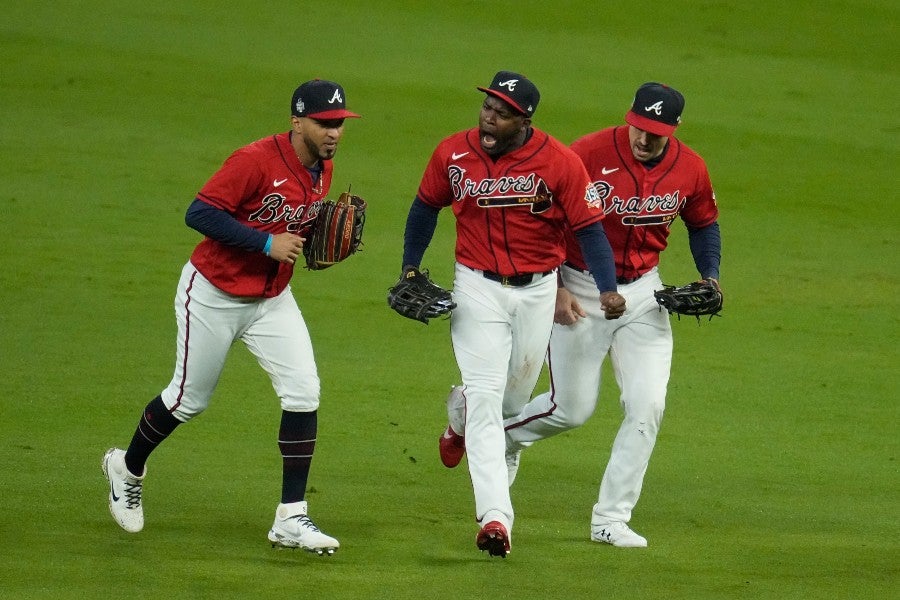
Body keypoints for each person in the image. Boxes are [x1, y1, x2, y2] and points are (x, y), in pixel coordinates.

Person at [101, 79, 361, 555]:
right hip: (213, 294)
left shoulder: (323, 167)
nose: (334, 133)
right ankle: (127, 466)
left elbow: (294, 220)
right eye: (325, 123)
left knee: (303, 392)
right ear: (297, 120)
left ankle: (290, 517)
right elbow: (199, 213)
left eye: (340, 124)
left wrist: (315, 239)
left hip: (271, 299)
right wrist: (267, 243)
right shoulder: (254, 160)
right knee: (187, 400)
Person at [399, 70, 626, 558]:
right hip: (476, 287)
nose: (489, 118)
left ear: (523, 120)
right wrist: (411, 267)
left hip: (538, 292)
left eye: (502, 113)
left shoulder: (559, 162)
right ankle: (496, 518)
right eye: (486, 107)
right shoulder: (452, 153)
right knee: (488, 399)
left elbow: (588, 230)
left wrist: (606, 289)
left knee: (509, 403)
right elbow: (424, 209)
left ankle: (457, 416)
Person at [502, 82, 722, 547]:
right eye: (639, 127)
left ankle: (610, 519)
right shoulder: (585, 154)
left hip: (645, 293)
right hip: (579, 288)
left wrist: (710, 275)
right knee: (571, 410)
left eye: (656, 134)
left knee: (648, 406)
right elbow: (543, 222)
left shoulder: (691, 168)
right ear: (630, 117)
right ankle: (502, 438)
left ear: (674, 130)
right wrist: (556, 286)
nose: (644, 139)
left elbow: (703, 224)